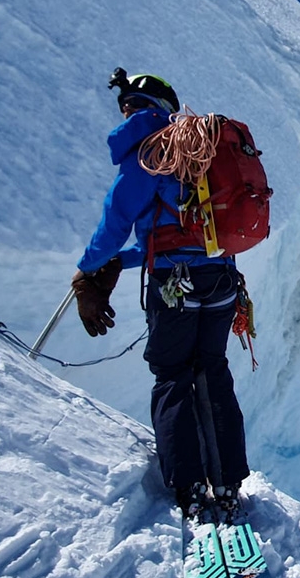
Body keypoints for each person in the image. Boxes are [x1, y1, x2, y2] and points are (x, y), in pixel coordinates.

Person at [71, 69, 249, 521]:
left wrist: (88, 270)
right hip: (222, 280)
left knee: (173, 376)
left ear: (137, 107)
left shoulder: (149, 152)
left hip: (175, 285)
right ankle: (227, 483)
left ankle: (189, 487)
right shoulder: (204, 150)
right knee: (212, 369)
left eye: (127, 104)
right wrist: (122, 263)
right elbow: (174, 235)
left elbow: (116, 226)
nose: (125, 111)